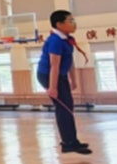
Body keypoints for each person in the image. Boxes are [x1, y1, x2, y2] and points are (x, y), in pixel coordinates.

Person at [37, 10, 92, 155]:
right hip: (48, 75)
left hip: (59, 75)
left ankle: (72, 141)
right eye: (71, 21)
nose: (74, 23)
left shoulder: (66, 39)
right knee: (64, 109)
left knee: (68, 107)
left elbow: (69, 60)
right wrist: (52, 87)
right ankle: (68, 143)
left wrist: (73, 79)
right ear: (59, 24)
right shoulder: (55, 41)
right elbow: (54, 66)